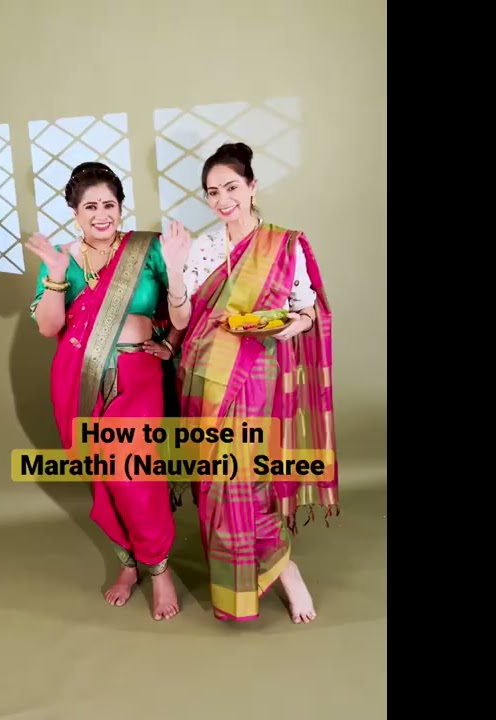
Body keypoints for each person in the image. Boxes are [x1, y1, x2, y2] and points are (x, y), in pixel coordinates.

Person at [173, 142, 339, 624]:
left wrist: (295, 324)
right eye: (212, 193)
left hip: (256, 373)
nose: (223, 200)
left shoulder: (283, 245)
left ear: (252, 187)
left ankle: (285, 571)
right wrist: (177, 276)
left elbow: (308, 310)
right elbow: (180, 319)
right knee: (216, 484)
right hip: (203, 375)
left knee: (248, 479)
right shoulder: (204, 247)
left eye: (231, 188)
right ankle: (236, 586)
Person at [24, 161, 192, 621]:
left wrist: (175, 272)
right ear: (75, 213)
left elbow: (179, 319)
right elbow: (49, 327)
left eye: (110, 205)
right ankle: (128, 562)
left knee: (134, 475)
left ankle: (159, 570)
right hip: (79, 384)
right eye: (90, 206)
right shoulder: (63, 257)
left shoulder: (148, 249)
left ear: (121, 208)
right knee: (104, 477)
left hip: (137, 380)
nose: (102, 215)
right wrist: (57, 274)